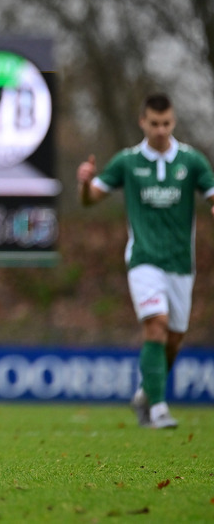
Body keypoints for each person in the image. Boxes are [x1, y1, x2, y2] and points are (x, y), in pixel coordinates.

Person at [77, 93, 214, 429]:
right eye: (154, 123)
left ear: (174, 121)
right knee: (156, 324)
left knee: (173, 339)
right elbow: (91, 199)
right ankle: (158, 409)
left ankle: (144, 394)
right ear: (143, 122)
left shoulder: (192, 161)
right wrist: (83, 183)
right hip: (144, 260)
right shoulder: (127, 162)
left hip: (181, 263)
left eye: (166, 123)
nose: (160, 130)